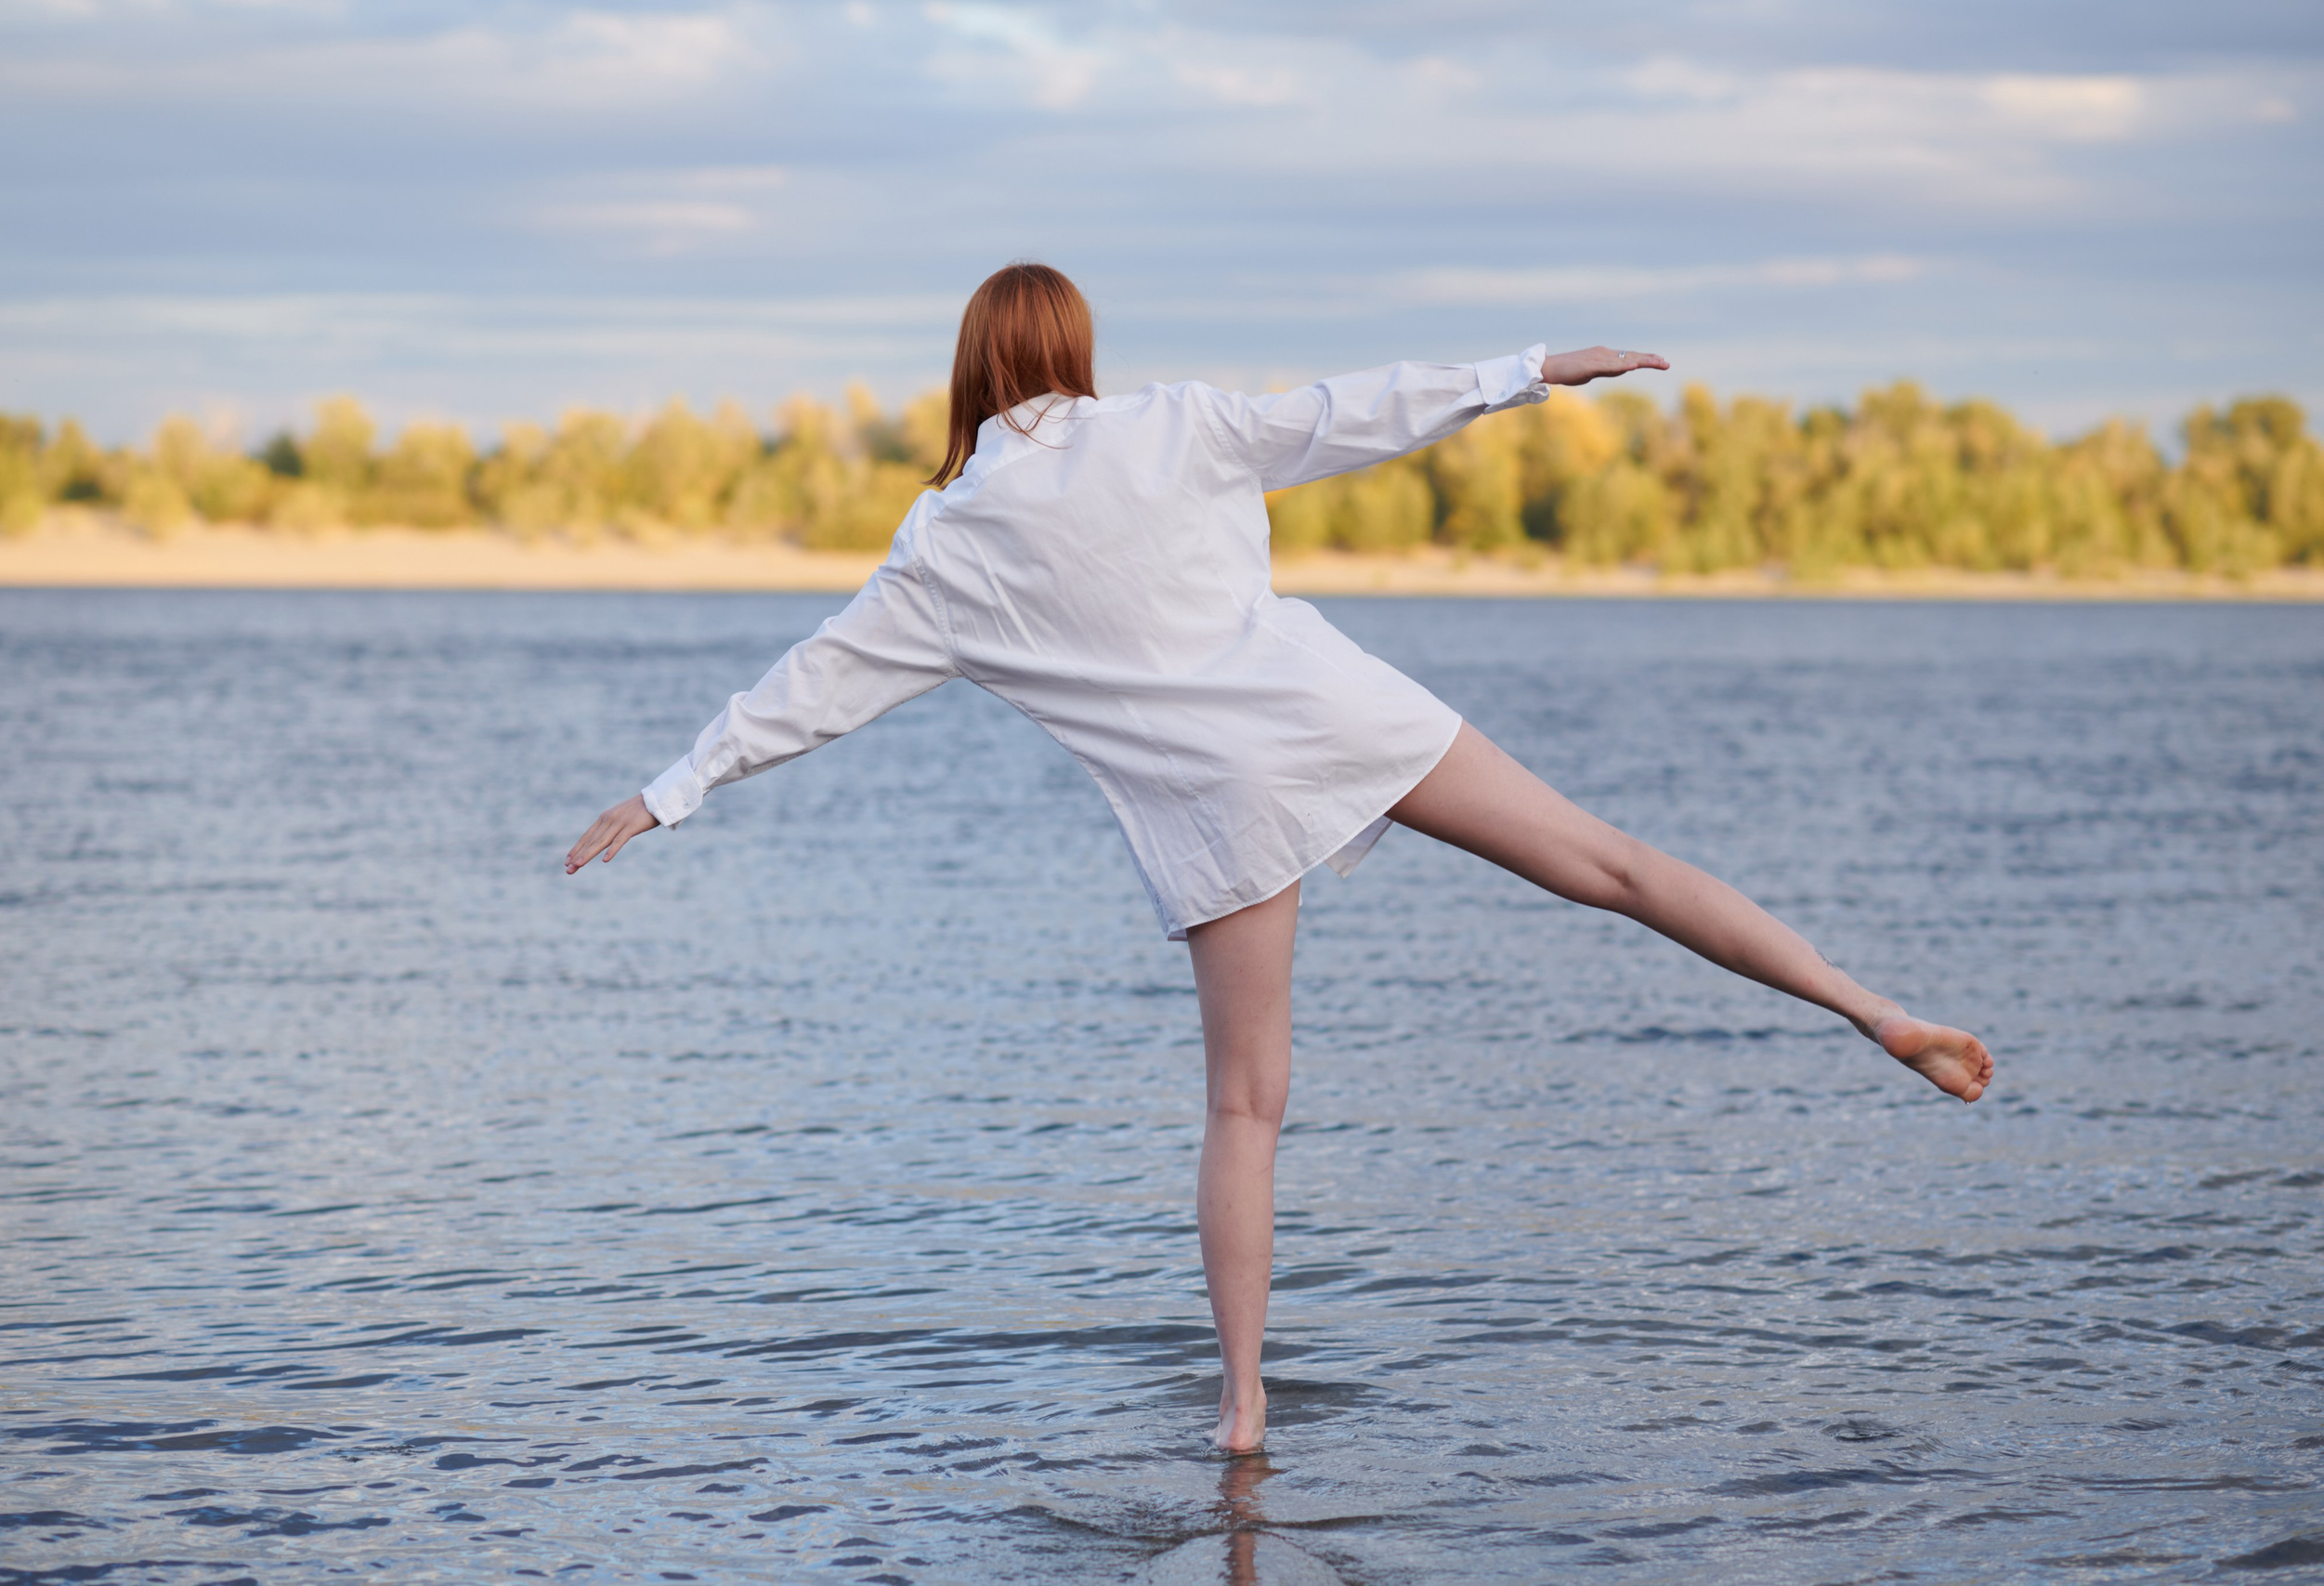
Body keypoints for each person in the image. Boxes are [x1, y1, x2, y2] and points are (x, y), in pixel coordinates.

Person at [566, 262, 1994, 1456]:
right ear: (1075, 349)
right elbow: (1356, 412)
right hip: (1335, 715)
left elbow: (813, 686)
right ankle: (1875, 1010)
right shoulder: (1172, 427)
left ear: (970, 371)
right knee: (1612, 867)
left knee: (1246, 1110)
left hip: (1216, 808)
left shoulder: (943, 544)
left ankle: (1244, 1409)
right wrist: (1532, 367)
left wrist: (671, 789)